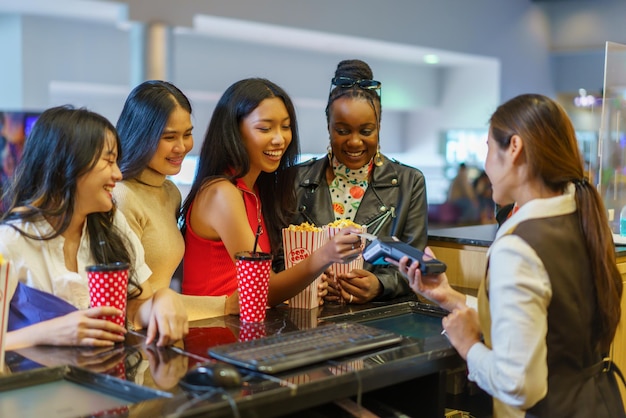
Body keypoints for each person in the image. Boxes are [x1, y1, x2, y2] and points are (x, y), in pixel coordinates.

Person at [397, 94, 624, 417]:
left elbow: (517, 384)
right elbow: (543, 319)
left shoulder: (519, 245)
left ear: (514, 148)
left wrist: (468, 345)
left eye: (488, 147)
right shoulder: (581, 217)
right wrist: (449, 297)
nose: (485, 164)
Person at [2, 105, 188, 351]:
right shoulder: (11, 240)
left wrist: (163, 300)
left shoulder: (112, 224)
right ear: (67, 165)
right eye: (108, 161)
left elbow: (135, 308)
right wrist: (47, 333)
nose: (118, 174)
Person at [180, 78, 362, 306]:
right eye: (265, 128)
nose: (279, 139)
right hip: (212, 330)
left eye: (285, 127)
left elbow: (265, 287)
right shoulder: (222, 194)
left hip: (244, 327)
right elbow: (262, 289)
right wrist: (324, 256)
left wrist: (309, 281)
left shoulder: (255, 190)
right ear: (235, 132)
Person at [289, 59, 428, 304]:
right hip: (311, 315)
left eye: (366, 131)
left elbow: (415, 263)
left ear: (379, 127)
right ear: (328, 127)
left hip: (380, 320)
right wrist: (312, 281)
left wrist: (380, 284)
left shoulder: (410, 182)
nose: (354, 142)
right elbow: (281, 257)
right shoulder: (296, 180)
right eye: (342, 131)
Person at [114, 80, 237, 319]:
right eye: (170, 137)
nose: (182, 147)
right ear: (141, 136)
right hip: (135, 337)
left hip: (163, 329)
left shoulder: (170, 192)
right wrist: (223, 306)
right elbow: (135, 305)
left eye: (188, 134)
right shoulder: (122, 196)